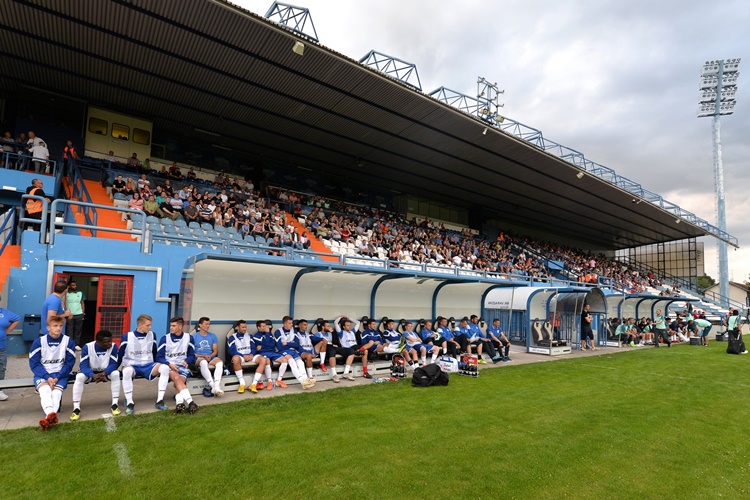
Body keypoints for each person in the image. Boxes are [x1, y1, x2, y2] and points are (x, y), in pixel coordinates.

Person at [118, 314, 172, 415]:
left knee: (164, 368)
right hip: (132, 365)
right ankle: (130, 403)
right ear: (140, 325)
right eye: (147, 325)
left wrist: (159, 363)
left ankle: (159, 401)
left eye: (150, 325)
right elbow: (120, 354)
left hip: (148, 365)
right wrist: (113, 368)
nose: (150, 327)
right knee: (127, 371)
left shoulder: (152, 335)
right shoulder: (127, 336)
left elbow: (154, 351)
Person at [29, 315, 76, 430]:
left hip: (61, 374)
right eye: (55, 326)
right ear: (48, 327)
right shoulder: (39, 342)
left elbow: (69, 363)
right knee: (45, 390)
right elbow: (34, 363)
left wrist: (58, 376)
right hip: (43, 373)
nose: (58, 328)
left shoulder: (68, 341)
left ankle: (47, 418)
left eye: (60, 326)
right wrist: (47, 376)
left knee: (56, 393)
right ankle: (51, 415)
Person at [70, 330, 121, 421]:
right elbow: (83, 365)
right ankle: (76, 408)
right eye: (107, 342)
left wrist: (105, 373)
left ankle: (115, 404)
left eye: (110, 341)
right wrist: (92, 375)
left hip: (106, 371)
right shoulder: (87, 347)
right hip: (91, 371)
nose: (110, 343)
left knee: (116, 374)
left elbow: (113, 364)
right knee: (79, 377)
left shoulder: (113, 347)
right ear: (98, 342)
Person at [156, 317, 199, 414]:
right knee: (176, 378)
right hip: (169, 366)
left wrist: (187, 361)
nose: (171, 328)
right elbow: (159, 357)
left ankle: (179, 404)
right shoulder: (165, 338)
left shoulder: (189, 338)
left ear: (180, 327)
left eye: (173, 326)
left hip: (183, 366)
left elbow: (192, 354)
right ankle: (191, 402)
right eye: (171, 325)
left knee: (179, 383)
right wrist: (169, 364)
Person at [228, 320, 272, 393]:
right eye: (243, 327)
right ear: (237, 327)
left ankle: (254, 384)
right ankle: (242, 383)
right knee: (235, 358)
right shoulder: (232, 337)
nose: (245, 329)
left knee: (264, 359)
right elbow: (232, 351)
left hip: (251, 355)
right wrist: (243, 356)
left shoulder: (249, 336)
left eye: (245, 327)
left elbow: (253, 347)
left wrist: (252, 354)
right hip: (241, 356)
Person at [272, 316, 315, 389]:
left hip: (292, 350)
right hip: (282, 351)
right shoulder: (278, 332)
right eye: (289, 323)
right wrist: (292, 343)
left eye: (291, 323)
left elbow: (297, 344)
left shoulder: (294, 331)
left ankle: (306, 380)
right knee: (292, 362)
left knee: (300, 362)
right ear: (285, 324)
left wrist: (287, 343)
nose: (291, 324)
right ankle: (302, 381)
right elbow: (279, 346)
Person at [191, 317, 224, 397]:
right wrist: (203, 356)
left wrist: (210, 356)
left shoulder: (213, 336)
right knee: (203, 362)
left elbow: (215, 351)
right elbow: (192, 352)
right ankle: (213, 386)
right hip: (199, 357)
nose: (208, 326)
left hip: (210, 356)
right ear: (200, 325)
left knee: (220, 363)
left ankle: (217, 385)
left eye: (209, 324)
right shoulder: (193, 337)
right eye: (206, 324)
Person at [0, 296, 21, 401]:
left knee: (1, 368)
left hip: (1, 346)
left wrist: (7, 331)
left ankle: (0, 390)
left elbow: (17, 319)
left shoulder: (4, 312)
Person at [333, 316, 360, 381]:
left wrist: (349, 318)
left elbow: (358, 323)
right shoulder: (341, 332)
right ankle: (346, 373)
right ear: (343, 327)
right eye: (347, 325)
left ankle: (365, 371)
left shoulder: (352, 331)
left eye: (350, 325)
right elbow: (335, 323)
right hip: (347, 349)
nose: (349, 326)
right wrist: (341, 317)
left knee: (368, 346)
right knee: (352, 352)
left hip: (355, 347)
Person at [65, 280, 85, 351]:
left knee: (78, 330)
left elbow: (82, 303)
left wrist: (83, 312)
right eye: (73, 285)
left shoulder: (80, 293)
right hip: (69, 315)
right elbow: (63, 303)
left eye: (75, 285)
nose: (75, 286)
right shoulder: (65, 293)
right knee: (69, 330)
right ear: (69, 286)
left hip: (79, 314)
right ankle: (70, 344)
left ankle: (76, 344)